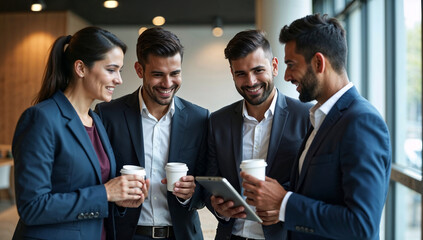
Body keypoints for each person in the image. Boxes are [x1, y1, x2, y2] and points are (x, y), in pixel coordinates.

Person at [241, 13, 392, 240]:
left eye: (291, 64)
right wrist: (276, 198)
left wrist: (284, 203)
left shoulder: (361, 122)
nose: (287, 75)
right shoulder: (320, 118)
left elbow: (362, 225)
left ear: (319, 62)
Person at [12, 26, 149, 240]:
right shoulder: (41, 119)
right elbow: (32, 206)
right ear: (81, 68)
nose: (119, 80)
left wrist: (118, 198)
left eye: (119, 71)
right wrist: (105, 193)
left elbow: (96, 191)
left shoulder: (96, 120)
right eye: (111, 70)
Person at [95, 27, 209, 240]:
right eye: (158, 75)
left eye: (175, 73)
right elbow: (96, 179)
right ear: (139, 70)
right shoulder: (107, 115)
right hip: (127, 234)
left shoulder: (199, 118)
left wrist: (192, 193)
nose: (167, 84)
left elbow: (205, 188)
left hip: (181, 235)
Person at [206, 30, 311, 240]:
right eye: (241, 73)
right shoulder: (217, 122)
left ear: (274, 66)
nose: (251, 81)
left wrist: (284, 208)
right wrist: (218, 207)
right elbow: (209, 180)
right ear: (232, 73)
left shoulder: (306, 117)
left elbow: (313, 185)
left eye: (258, 70)